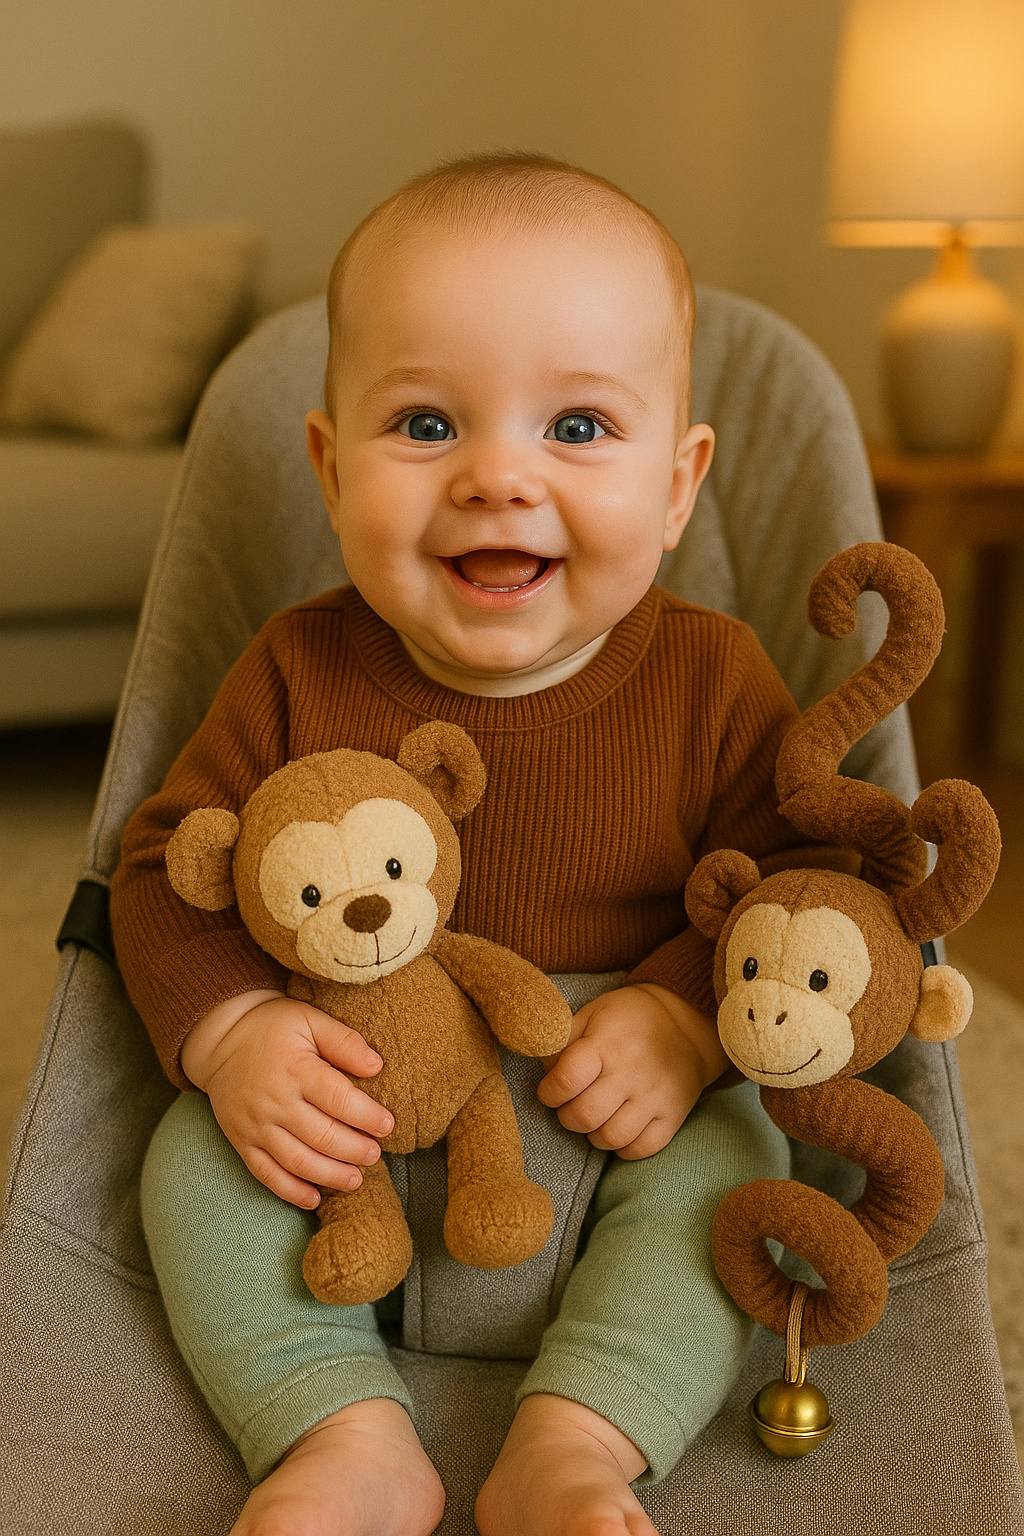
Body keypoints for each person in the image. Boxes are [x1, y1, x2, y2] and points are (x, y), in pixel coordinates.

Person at [110, 153, 800, 1536]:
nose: (498, 479)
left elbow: (786, 899)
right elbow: (164, 862)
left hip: (617, 1120)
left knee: (737, 1174)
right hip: (355, 1103)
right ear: (328, 466)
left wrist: (685, 1018)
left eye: (580, 430)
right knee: (187, 1162)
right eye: (425, 424)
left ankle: (580, 1437)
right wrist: (238, 1033)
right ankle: (341, 1429)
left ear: (679, 485)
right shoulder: (298, 665)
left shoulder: (719, 680)